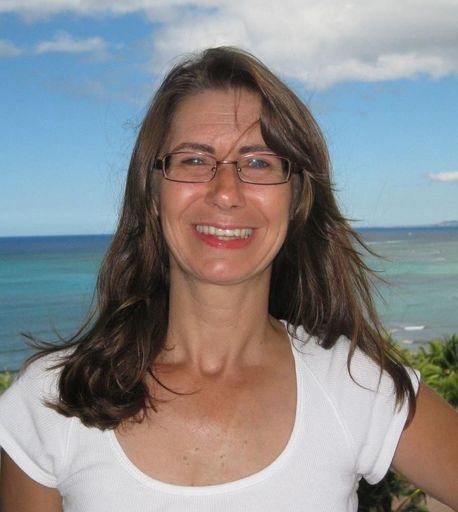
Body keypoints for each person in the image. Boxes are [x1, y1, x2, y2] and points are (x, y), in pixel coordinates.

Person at [0, 47, 457, 512]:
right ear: (153, 193)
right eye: (194, 161)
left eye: (258, 162)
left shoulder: (351, 386)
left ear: (295, 198)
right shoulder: (52, 400)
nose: (225, 192)